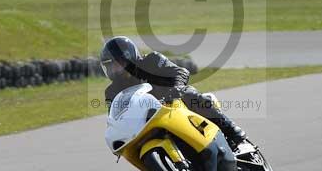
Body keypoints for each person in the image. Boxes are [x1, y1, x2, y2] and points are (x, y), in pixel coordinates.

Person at [100, 36, 247, 148]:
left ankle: (231, 130)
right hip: (148, 120)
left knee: (190, 94)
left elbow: (180, 72)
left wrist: (176, 89)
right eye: (110, 66)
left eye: (117, 64)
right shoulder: (112, 91)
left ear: (129, 58)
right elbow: (115, 116)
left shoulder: (152, 60)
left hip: (174, 101)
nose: (114, 70)